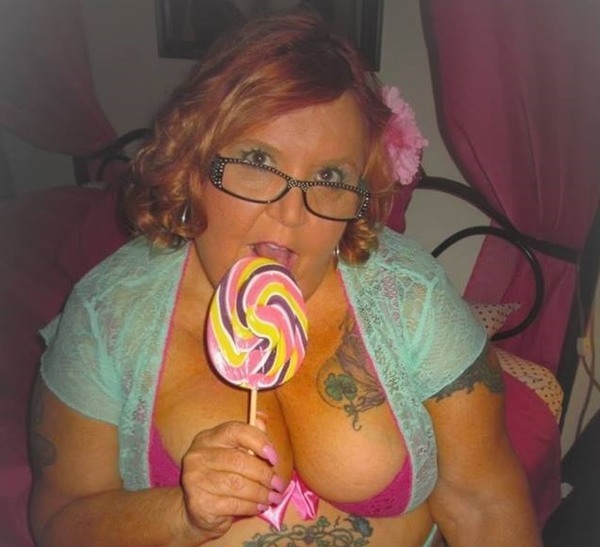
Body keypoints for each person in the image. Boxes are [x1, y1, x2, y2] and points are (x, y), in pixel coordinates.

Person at [28, 9, 542, 547]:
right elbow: (60, 520)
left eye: (329, 176)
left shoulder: (412, 297)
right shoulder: (105, 314)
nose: (292, 213)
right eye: (257, 160)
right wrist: (181, 514)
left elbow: (484, 503)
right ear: (192, 162)